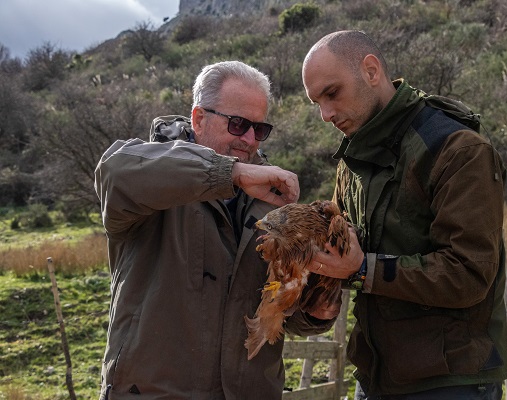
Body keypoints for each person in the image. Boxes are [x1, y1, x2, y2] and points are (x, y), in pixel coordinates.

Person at [94, 60, 341, 400]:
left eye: (260, 129)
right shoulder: (147, 174)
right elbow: (114, 172)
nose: (250, 140)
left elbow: (274, 311)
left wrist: (316, 308)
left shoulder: (273, 205)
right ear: (198, 118)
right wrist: (230, 174)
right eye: (238, 125)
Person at [302, 30, 507, 399]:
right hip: (374, 378)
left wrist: (364, 270)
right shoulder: (352, 162)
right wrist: (316, 288)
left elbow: (469, 273)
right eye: (317, 101)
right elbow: (346, 257)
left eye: (332, 93)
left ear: (370, 70)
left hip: (450, 382)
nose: (325, 114)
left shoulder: (457, 149)